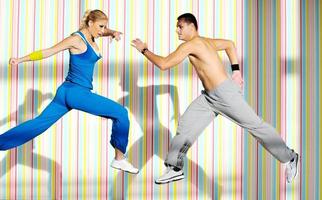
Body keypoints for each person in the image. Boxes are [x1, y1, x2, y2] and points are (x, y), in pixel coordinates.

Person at [131, 13, 298, 184]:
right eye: (177, 27)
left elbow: (164, 64)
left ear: (191, 26)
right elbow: (229, 44)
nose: (177, 30)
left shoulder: (192, 44)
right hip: (209, 98)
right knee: (186, 125)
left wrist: (144, 50)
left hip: (225, 95)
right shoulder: (206, 41)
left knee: (256, 126)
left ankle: (290, 157)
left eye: (180, 26)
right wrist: (236, 71)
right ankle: (174, 168)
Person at [1, 9, 138, 174]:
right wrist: (21, 59)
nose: (103, 31)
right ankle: (119, 159)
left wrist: (112, 32)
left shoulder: (92, 34)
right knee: (121, 113)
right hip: (78, 94)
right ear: (90, 23)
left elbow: (104, 31)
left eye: (105, 27)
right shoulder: (76, 40)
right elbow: (48, 51)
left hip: (65, 92)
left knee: (39, 123)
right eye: (101, 26)